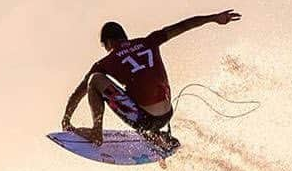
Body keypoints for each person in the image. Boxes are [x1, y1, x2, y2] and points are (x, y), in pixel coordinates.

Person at [61, 10, 242, 150]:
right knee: (142, 83)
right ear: (125, 37)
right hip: (167, 113)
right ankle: (155, 136)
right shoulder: (149, 41)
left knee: (95, 80)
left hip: (144, 119)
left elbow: (80, 91)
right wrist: (213, 18)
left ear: (107, 43)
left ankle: (96, 132)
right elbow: (183, 26)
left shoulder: (107, 61)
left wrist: (66, 119)